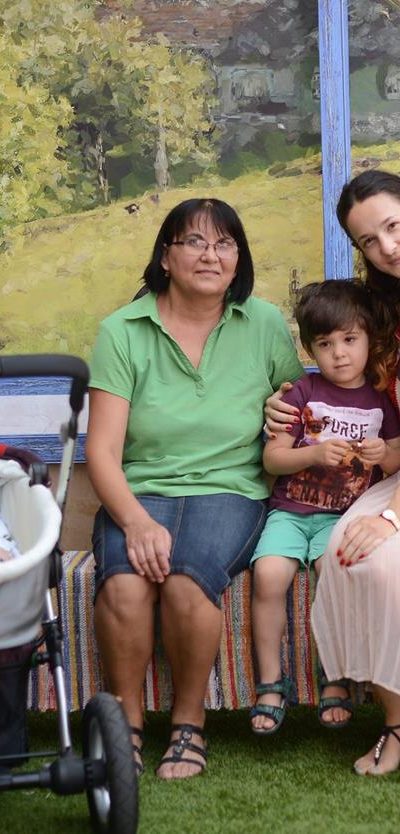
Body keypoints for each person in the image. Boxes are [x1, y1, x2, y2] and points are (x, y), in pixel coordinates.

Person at [85, 197, 303, 780]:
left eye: (224, 244)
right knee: (126, 585)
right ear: (166, 256)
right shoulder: (122, 331)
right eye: (195, 242)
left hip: (231, 488)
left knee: (187, 580)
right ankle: (124, 727)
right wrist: (134, 521)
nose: (211, 255)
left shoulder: (263, 323)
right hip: (141, 489)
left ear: (239, 259)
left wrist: (282, 414)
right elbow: (101, 451)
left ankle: (188, 723)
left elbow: (299, 406)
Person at [265, 169, 400, 775]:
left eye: (393, 225)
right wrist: (281, 405)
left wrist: (392, 517)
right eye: (369, 240)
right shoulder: (381, 312)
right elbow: (335, 384)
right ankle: (395, 727)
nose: (387, 247)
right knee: (360, 559)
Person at [250, 279, 400, 735]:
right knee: (268, 575)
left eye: (350, 340)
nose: (339, 354)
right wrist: (313, 453)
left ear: (369, 339)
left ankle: (335, 677)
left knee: (334, 573)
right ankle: (271, 682)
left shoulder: (381, 399)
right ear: (309, 348)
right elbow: (273, 459)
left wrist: (382, 455)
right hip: (291, 512)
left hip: (344, 516)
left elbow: (396, 459)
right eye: (325, 343)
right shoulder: (301, 392)